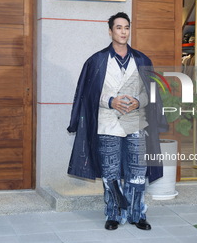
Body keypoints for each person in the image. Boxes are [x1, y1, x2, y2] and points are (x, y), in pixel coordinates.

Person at [67, 12, 168, 231]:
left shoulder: (142, 60)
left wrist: (138, 101)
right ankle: (113, 213)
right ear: (110, 31)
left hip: (136, 123)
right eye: (119, 27)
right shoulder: (97, 61)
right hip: (108, 123)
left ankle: (137, 214)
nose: (123, 32)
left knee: (137, 171)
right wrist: (110, 101)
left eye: (126, 28)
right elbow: (88, 93)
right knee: (110, 172)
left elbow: (151, 93)